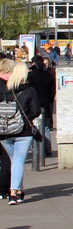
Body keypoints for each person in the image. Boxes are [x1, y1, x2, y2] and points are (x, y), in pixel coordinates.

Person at [0, 60, 41, 204]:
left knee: (15, 161)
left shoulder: (4, 90)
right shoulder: (29, 90)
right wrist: (25, 118)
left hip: (4, 131)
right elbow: (36, 110)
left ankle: (19, 189)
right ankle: (13, 193)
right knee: (18, 161)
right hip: (23, 132)